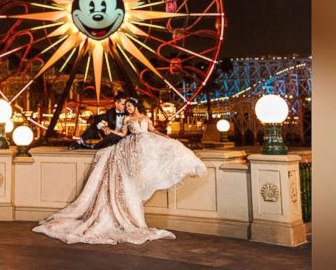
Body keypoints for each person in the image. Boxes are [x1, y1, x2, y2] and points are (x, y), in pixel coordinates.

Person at [33, 97, 207, 245]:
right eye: (127, 107)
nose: (128, 109)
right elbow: (123, 135)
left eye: (130, 106)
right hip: (130, 147)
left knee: (158, 161)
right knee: (127, 177)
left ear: (135, 106)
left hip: (146, 144)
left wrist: (167, 138)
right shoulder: (127, 120)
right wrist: (109, 130)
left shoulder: (145, 118)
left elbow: (153, 131)